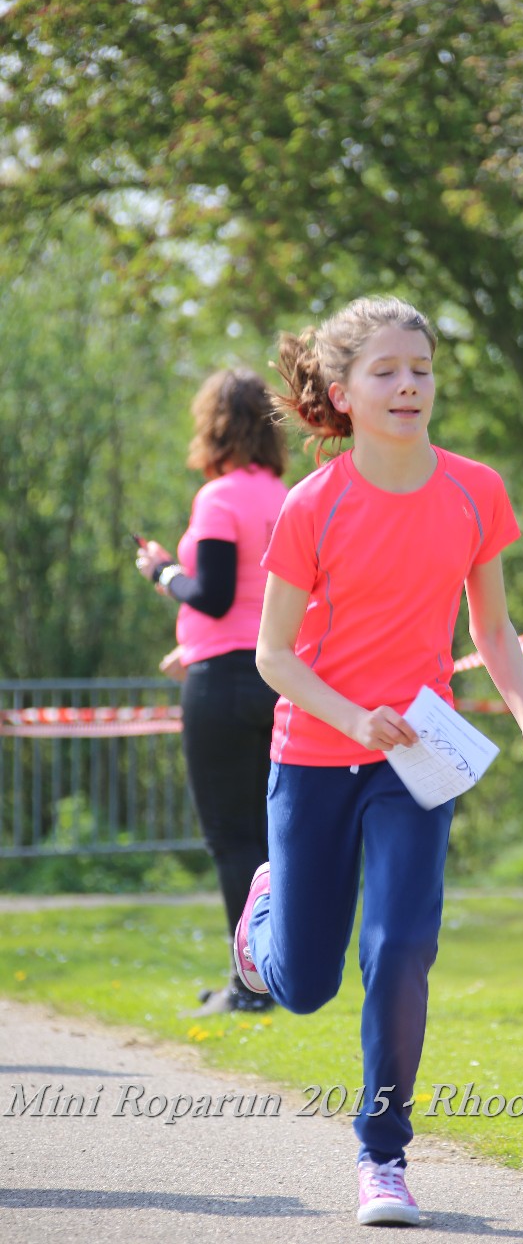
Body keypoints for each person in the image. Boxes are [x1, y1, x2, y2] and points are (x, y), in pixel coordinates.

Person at [232, 296, 523, 1228]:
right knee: (306, 985)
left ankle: (382, 1157)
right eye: (385, 371)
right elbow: (273, 656)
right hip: (315, 753)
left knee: (401, 947)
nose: (408, 385)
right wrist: (354, 718)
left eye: (420, 369)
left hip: (417, 761)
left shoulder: (475, 490)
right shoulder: (312, 505)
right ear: (342, 393)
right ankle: (262, 923)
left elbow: (492, 629)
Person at [135, 368, 288, 1014]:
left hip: (223, 685)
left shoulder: (219, 498)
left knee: (232, 840)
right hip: (281, 676)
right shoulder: (286, 495)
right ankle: (273, 978)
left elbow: (215, 594)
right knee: (271, 838)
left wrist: (162, 571)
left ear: (215, 425)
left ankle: (248, 989)